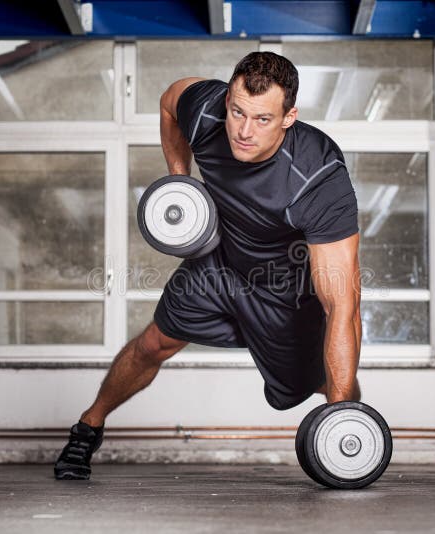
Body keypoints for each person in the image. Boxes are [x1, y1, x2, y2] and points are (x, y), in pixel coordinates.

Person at [54, 52, 361, 480]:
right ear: (228, 100)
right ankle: (88, 428)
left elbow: (342, 306)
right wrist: (181, 180)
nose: (243, 130)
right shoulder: (205, 110)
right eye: (237, 112)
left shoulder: (318, 176)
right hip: (218, 266)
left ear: (290, 117)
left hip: (283, 293)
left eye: (262, 119)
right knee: (151, 345)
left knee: (321, 383)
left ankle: (350, 429)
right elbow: (168, 102)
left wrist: (343, 418)